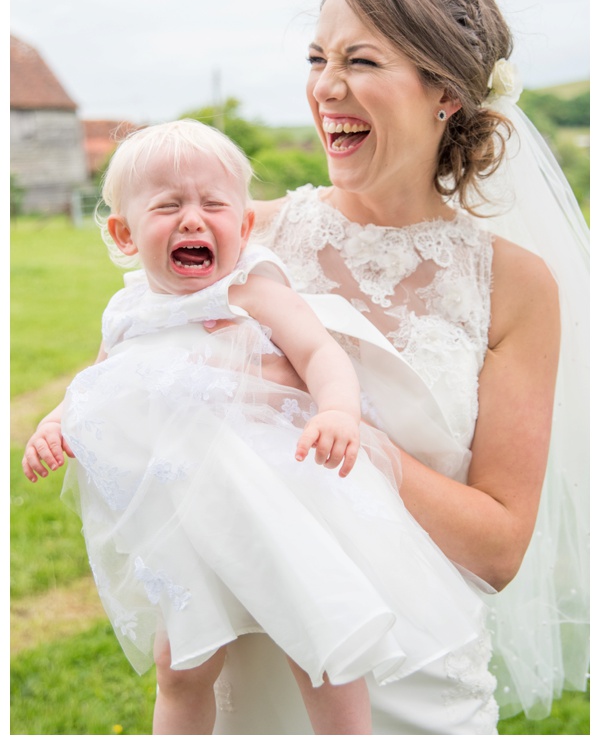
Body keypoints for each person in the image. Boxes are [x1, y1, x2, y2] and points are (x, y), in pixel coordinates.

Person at [203, 0, 587, 734]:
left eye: (360, 60)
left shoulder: (515, 285)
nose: (325, 87)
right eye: (318, 58)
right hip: (258, 671)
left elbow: (499, 547)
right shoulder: (247, 238)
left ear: (446, 92)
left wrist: (358, 440)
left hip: (422, 682)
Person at [23, 118, 488, 736]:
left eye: (214, 205)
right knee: (180, 666)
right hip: (189, 518)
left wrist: (335, 411)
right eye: (168, 207)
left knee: (318, 643)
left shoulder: (248, 291)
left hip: (279, 499)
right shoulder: (129, 313)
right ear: (124, 233)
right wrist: (56, 426)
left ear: (242, 227)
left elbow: (321, 355)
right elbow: (97, 385)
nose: (193, 220)